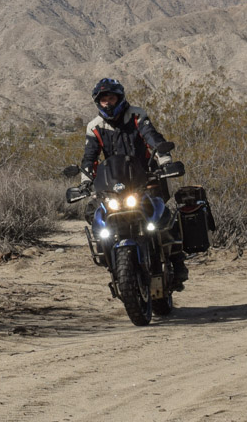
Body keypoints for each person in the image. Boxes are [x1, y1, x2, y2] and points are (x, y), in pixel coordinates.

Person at [79, 77, 189, 287]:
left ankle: (177, 261)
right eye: (104, 100)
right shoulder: (94, 127)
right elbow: (89, 158)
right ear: (98, 103)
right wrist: (85, 182)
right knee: (95, 213)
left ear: (119, 97)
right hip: (113, 183)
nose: (108, 103)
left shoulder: (137, 115)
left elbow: (153, 138)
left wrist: (165, 162)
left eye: (111, 98)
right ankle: (107, 256)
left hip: (145, 176)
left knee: (161, 214)